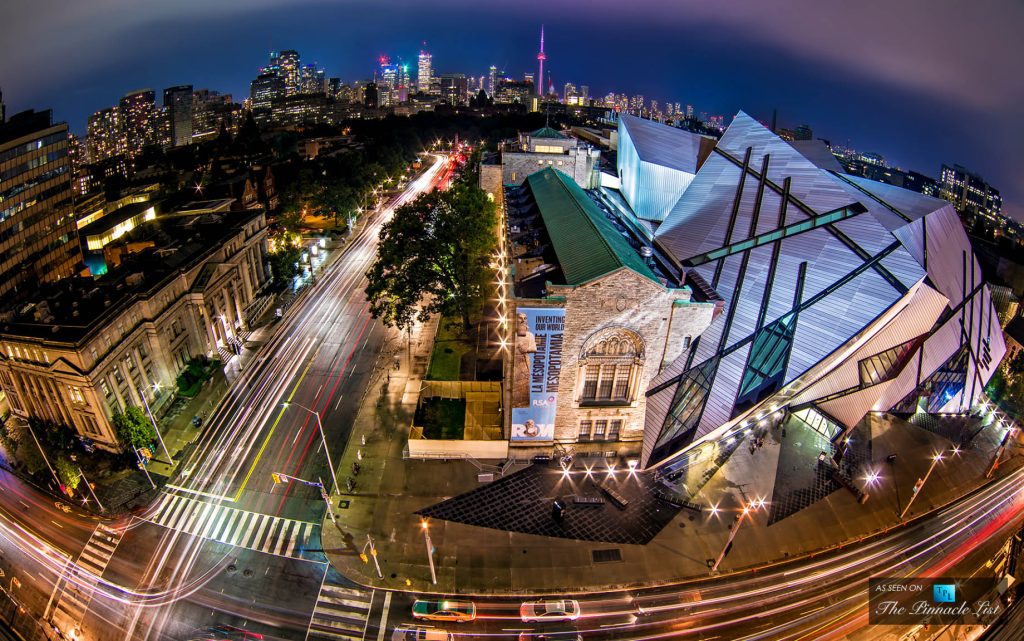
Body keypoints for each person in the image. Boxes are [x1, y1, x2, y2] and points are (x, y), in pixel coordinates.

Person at [512, 312, 537, 408]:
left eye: (525, 318)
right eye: (520, 318)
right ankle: (514, 402)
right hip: (514, 362)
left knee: (524, 384)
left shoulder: (530, 335)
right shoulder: (512, 334)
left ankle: (522, 403)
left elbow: (534, 348)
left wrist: (525, 349)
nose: (523, 320)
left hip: (524, 361)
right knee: (514, 384)